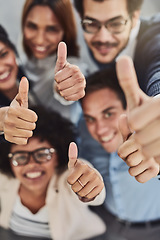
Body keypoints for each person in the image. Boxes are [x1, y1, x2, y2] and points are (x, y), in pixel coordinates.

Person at [0, 105, 106, 240]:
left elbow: (92, 191)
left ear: (58, 157)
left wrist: (90, 190)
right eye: (20, 157)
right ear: (8, 161)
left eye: (43, 154)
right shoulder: (5, 178)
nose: (32, 164)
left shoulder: (67, 178)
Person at [80, 66, 160, 240]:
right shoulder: (85, 140)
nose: (100, 129)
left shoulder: (153, 142)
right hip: (110, 226)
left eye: (108, 113)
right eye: (90, 118)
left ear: (128, 108)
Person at [18, 0, 86, 123]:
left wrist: (66, 86)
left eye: (51, 29)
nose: (39, 40)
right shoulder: (18, 63)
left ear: (65, 31)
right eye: (32, 26)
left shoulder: (73, 66)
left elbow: (69, 79)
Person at [74, 0, 160, 96]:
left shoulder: (155, 38)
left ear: (135, 17)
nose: (103, 38)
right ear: (80, 16)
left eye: (116, 24)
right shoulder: (72, 37)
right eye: (92, 24)